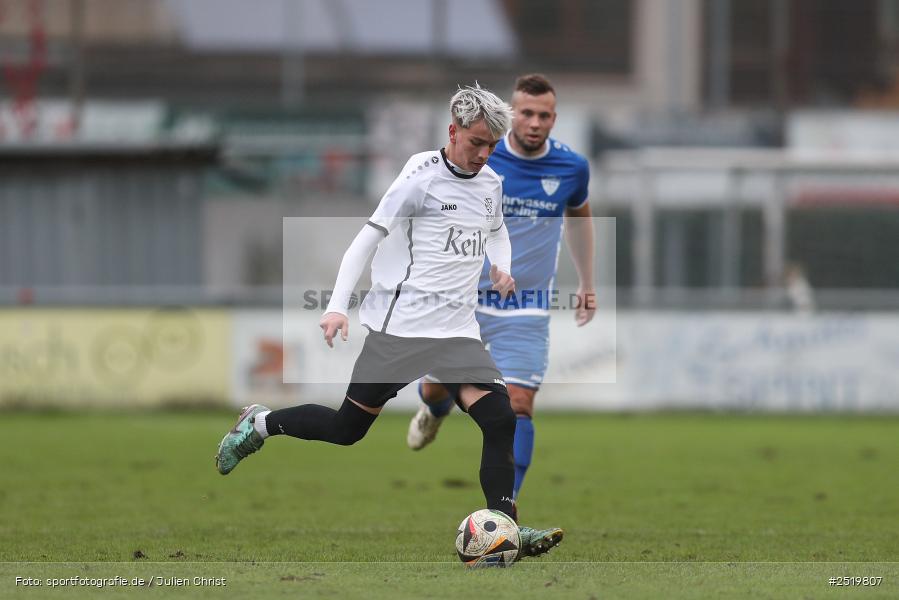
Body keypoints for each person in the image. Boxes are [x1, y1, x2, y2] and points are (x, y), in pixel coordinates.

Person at [215, 84, 563, 559]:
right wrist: (337, 306)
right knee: (347, 429)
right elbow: (365, 240)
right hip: (401, 331)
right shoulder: (420, 178)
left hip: (457, 333)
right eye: (476, 142)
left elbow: (497, 232)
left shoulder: (491, 184)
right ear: (453, 132)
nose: (484, 154)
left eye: (492, 145)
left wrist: (502, 266)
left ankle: (506, 528)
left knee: (501, 419)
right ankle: (259, 425)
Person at [407, 74, 595, 517]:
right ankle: (435, 409)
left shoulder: (571, 167)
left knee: (519, 404)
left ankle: (503, 514)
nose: (534, 122)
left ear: (554, 119)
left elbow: (580, 219)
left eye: (544, 115)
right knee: (435, 388)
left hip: (525, 305)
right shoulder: (482, 155)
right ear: (512, 114)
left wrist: (587, 282)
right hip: (463, 299)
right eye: (526, 113)